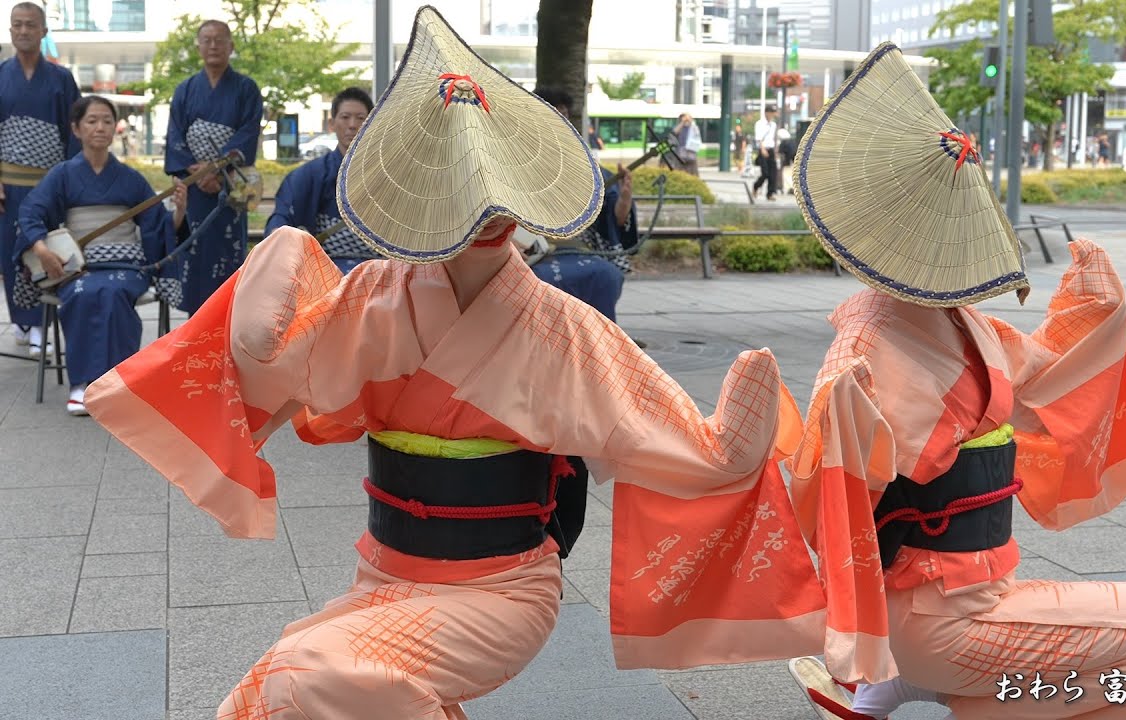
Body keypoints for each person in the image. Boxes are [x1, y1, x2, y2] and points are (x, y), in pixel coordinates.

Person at [83, 9, 832, 716]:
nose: (482, 209)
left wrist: (733, 441)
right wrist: (270, 298)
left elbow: (679, 446)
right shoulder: (378, 295)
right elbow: (278, 371)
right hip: (386, 571)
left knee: (304, 678)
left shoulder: (561, 328)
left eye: (496, 189)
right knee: (261, 698)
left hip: (500, 589)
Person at [781, 44, 1126, 720]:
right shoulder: (867, 356)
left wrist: (1096, 315)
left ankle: (896, 679)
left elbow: (1052, 377)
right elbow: (834, 514)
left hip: (961, 600)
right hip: (940, 617)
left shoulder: (954, 325)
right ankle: (899, 670)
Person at [16, 96, 187, 415]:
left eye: (107, 121)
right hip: (79, 266)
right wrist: (41, 249)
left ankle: (118, 383)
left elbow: (156, 226)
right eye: (92, 121)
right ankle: (83, 384)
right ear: (76, 129)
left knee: (113, 290)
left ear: (115, 128)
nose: (100, 127)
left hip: (125, 264)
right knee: (84, 292)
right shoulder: (62, 174)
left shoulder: (131, 178)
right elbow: (31, 213)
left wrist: (179, 211)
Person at [164, 18, 263, 315]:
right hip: (195, 189)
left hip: (229, 187)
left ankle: (226, 323)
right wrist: (200, 174)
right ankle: (195, 325)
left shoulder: (247, 89)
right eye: (206, 40)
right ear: (198, 47)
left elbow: (248, 133)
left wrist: (218, 170)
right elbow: (175, 137)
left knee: (227, 255)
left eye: (219, 40)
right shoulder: (184, 90)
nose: (213, 45)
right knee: (194, 254)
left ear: (231, 46)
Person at [0, 1, 81, 357]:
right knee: (11, 254)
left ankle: (41, 323)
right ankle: (22, 321)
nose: (22, 31)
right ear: (9, 30)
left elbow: (74, 132)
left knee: (48, 252)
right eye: (16, 25)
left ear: (44, 31)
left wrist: (69, 183)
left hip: (48, 185)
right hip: (8, 185)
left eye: (30, 25)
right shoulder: (1, 74)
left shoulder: (61, 79)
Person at [526, 85, 635, 324]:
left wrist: (625, 199)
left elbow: (612, 218)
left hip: (578, 247)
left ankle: (601, 340)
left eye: (563, 117)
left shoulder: (584, 163)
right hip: (531, 251)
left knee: (606, 274)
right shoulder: (518, 159)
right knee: (539, 280)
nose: (559, 123)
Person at [265, 87, 378, 275]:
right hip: (325, 272)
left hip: (380, 271)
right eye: (345, 117)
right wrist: (280, 235)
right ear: (332, 124)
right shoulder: (308, 175)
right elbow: (282, 218)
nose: (352, 125)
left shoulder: (388, 177)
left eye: (360, 118)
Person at [753, 106, 779, 200]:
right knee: (765, 173)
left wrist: (776, 152)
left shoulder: (773, 125)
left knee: (773, 173)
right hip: (763, 149)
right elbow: (758, 138)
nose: (773, 114)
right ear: (766, 113)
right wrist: (762, 149)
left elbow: (774, 139)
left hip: (771, 149)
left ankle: (770, 193)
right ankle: (756, 186)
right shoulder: (759, 124)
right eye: (771, 112)